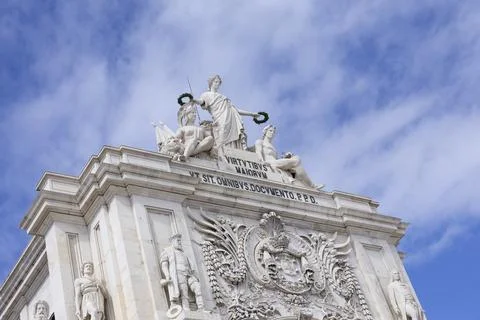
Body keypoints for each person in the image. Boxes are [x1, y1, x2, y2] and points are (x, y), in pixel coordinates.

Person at [193, 75, 260, 154]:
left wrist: (251, 114)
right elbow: (202, 101)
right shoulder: (206, 95)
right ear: (211, 83)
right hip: (220, 118)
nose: (217, 84)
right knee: (222, 135)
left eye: (219, 82)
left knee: (235, 137)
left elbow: (235, 110)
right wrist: (193, 100)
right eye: (216, 82)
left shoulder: (223, 97)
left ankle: (236, 154)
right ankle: (222, 153)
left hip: (231, 118)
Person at [255, 125, 321, 189]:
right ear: (265, 132)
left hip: (276, 163)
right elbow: (258, 152)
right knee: (297, 159)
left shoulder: (273, 147)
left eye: (274, 132)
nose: (272, 133)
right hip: (270, 163)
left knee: (298, 167)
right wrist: (262, 162)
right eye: (270, 131)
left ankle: (310, 186)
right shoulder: (260, 142)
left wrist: (285, 158)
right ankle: (312, 185)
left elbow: (277, 159)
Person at [160, 234, 203, 312]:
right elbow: (164, 264)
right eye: (178, 240)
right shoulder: (167, 251)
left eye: (180, 241)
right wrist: (167, 275)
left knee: (198, 287)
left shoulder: (184, 253)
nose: (180, 242)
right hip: (178, 274)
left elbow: (190, 266)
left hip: (189, 274)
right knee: (184, 292)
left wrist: (196, 276)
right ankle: (186, 309)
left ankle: (201, 307)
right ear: (172, 241)